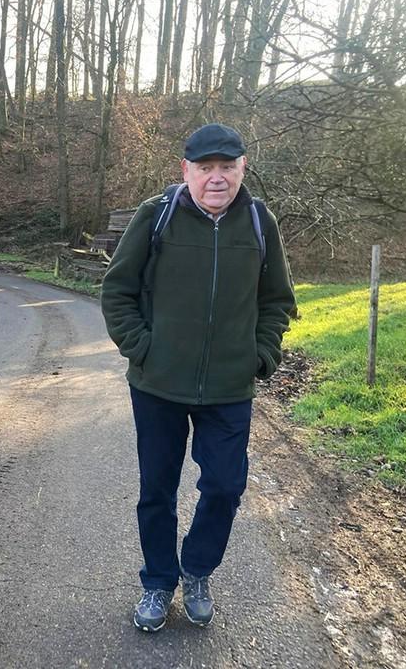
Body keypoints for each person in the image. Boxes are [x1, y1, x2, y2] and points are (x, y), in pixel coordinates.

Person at [101, 124, 295, 632]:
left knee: (226, 487)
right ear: (185, 170)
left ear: (242, 168)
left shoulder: (259, 221)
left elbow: (278, 300)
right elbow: (117, 291)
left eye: (226, 167)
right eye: (205, 168)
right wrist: (144, 349)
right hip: (157, 386)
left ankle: (197, 570)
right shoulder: (156, 216)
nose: (216, 178)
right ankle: (158, 581)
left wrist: (260, 355)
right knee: (157, 490)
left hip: (230, 387)